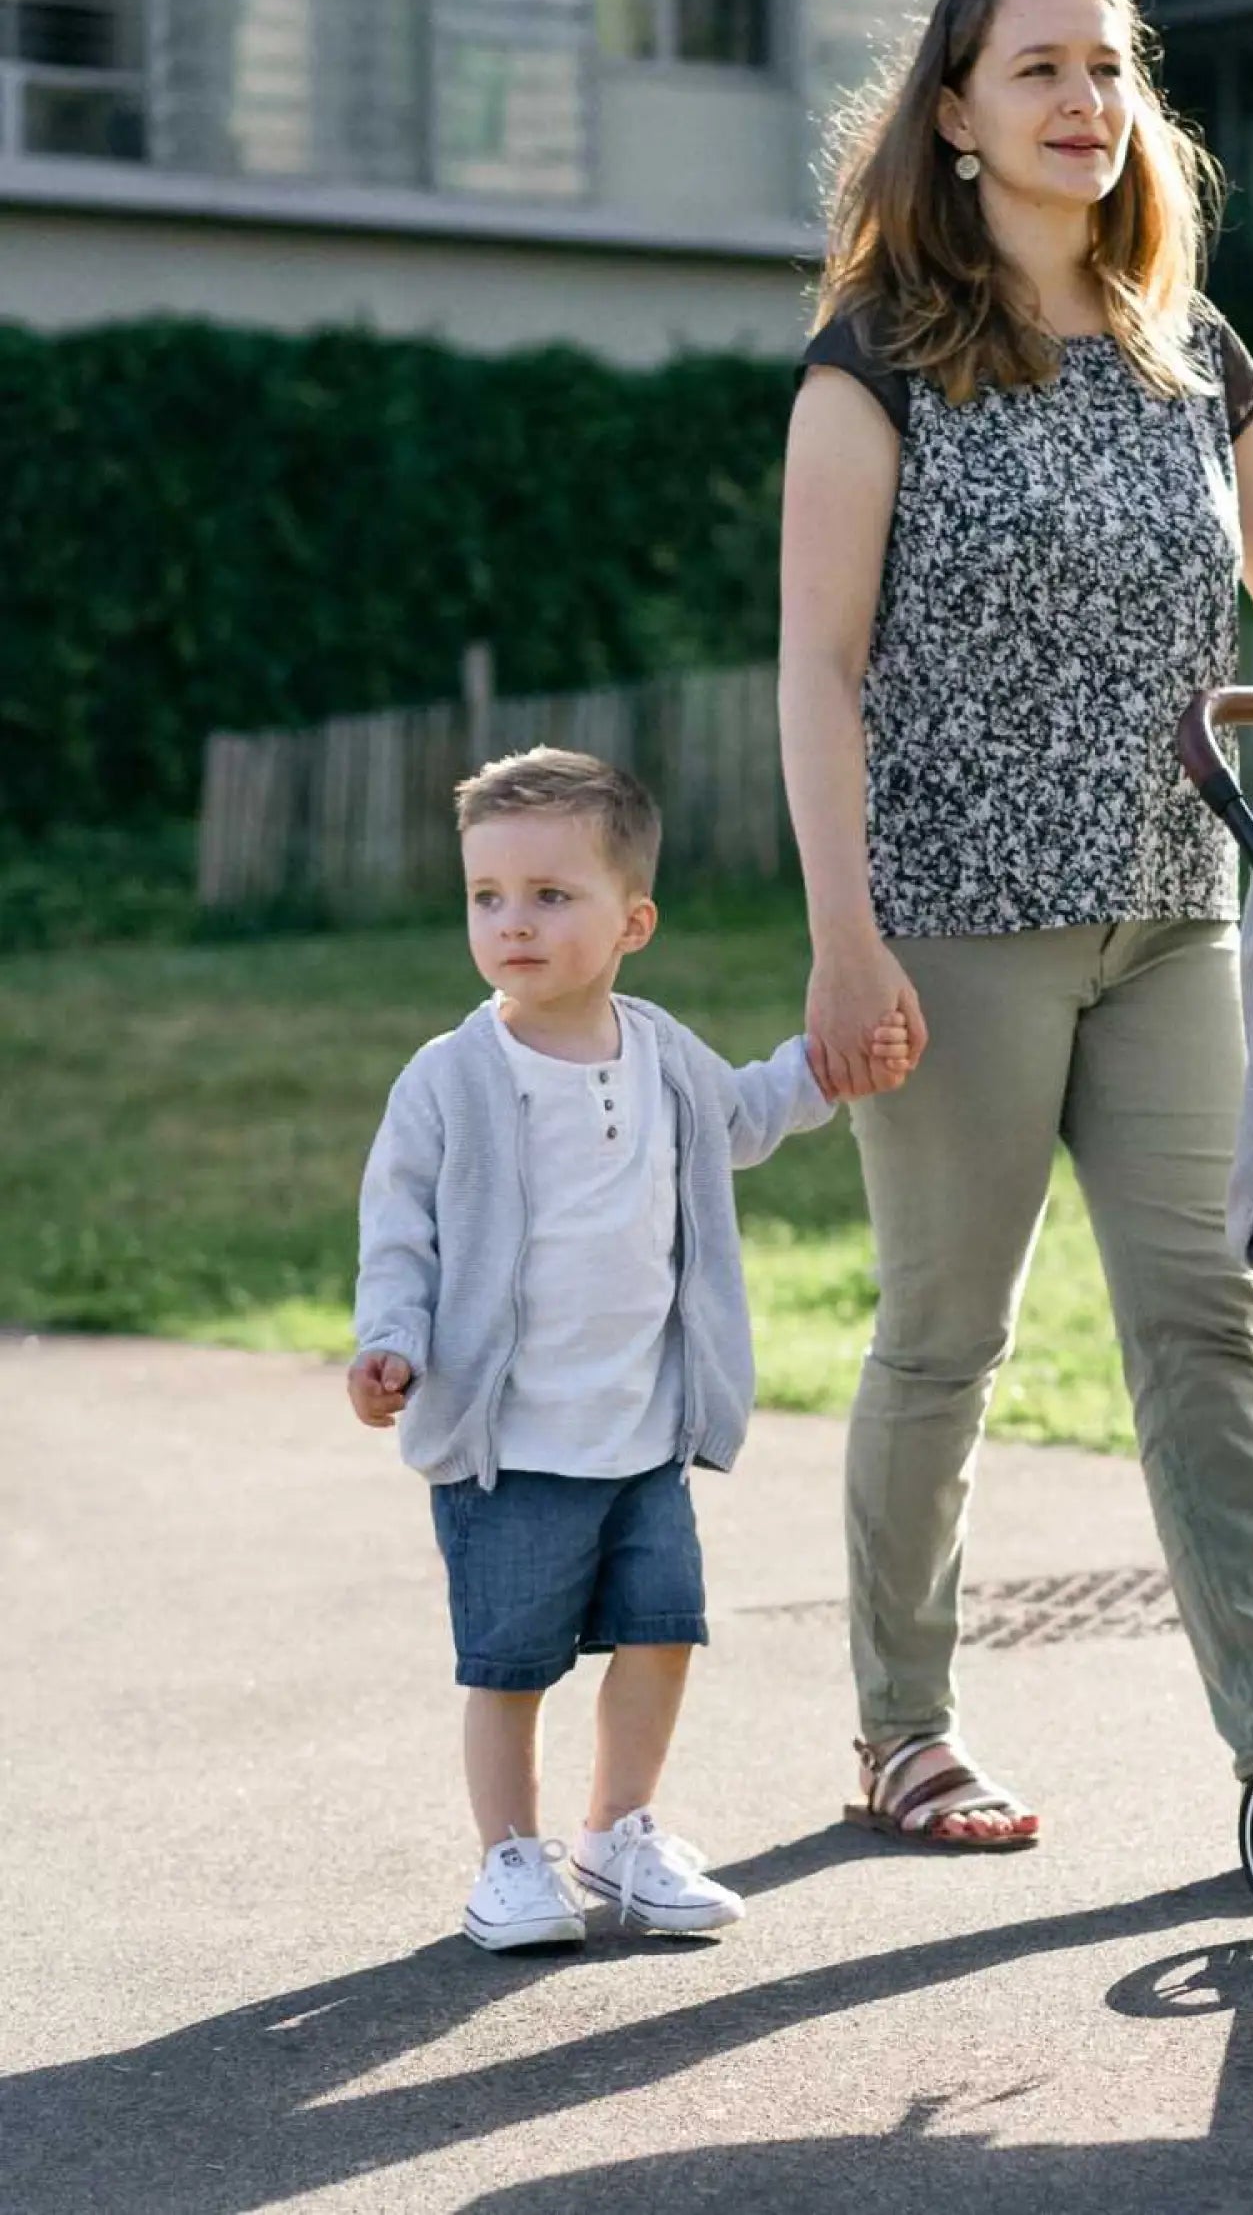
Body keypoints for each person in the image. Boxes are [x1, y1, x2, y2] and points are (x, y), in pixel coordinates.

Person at [778, 0, 1253, 1847]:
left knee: (1205, 1319)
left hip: (1177, 901)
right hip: (951, 919)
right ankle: (902, 1729)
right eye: (1039, 71)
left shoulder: (1191, 350)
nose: (1087, 103)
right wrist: (844, 938)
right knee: (948, 1332)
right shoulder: (878, 362)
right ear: (955, 113)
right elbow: (818, 670)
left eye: (1108, 68)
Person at [347, 747, 910, 1949]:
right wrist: (390, 1341)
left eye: (552, 896)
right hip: (511, 1445)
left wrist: (830, 1063)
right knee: (509, 1664)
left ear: (632, 920)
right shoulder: (449, 1079)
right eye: (487, 897)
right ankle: (510, 1858)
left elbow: (747, 1117)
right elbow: (398, 1232)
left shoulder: (658, 1055)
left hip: (643, 1431)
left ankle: (620, 1831)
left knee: (661, 1637)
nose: (514, 923)